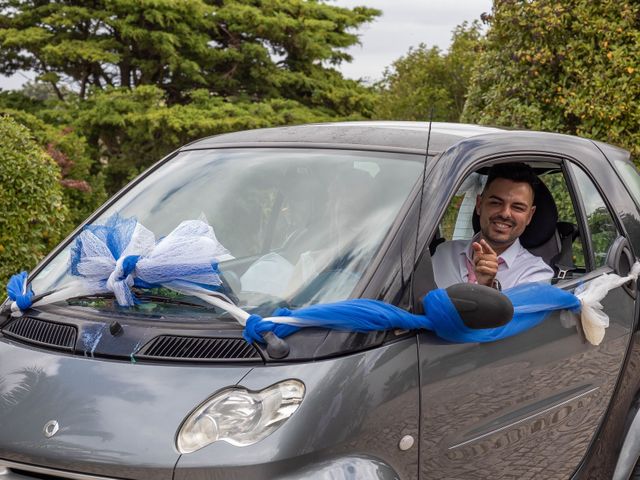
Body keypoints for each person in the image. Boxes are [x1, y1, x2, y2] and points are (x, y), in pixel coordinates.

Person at [432, 163, 554, 290]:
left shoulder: (537, 275)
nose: (505, 213)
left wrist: (488, 287)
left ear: (529, 216)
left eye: (517, 207)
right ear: (479, 205)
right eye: (496, 203)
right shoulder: (443, 254)